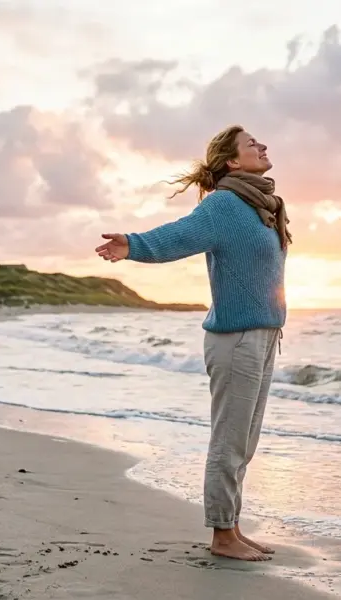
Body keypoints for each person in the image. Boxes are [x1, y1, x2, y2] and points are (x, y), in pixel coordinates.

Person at [94, 125, 291, 561]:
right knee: (229, 439)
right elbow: (179, 235)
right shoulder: (224, 205)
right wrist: (134, 244)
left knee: (245, 441)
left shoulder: (262, 206)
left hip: (262, 338)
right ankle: (222, 536)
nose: (262, 145)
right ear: (232, 162)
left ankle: (233, 526)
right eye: (251, 144)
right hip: (235, 340)